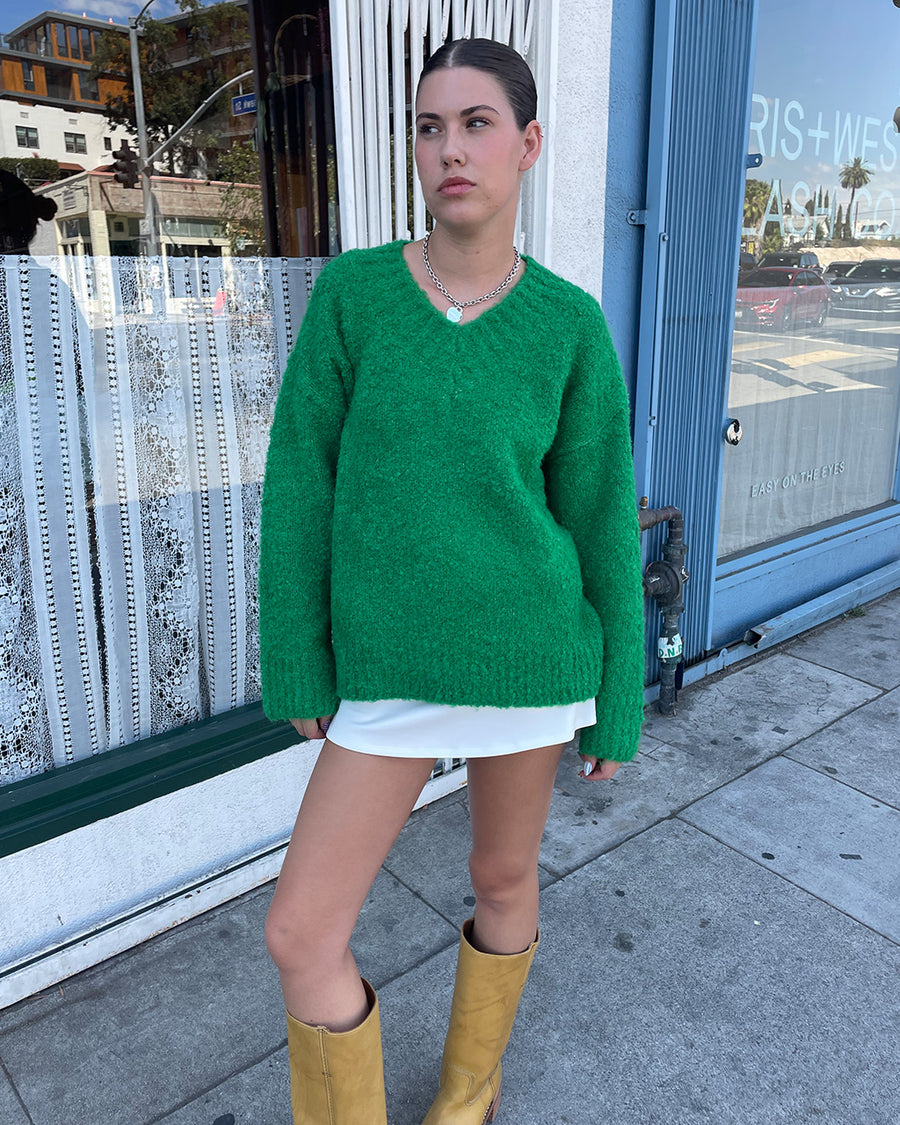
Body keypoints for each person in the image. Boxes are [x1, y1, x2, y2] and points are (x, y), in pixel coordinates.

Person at [258, 36, 645, 1125]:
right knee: (301, 931)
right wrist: (298, 654)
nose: (450, 149)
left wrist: (620, 692)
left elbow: (600, 516)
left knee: (502, 879)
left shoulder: (569, 324)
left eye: (477, 124)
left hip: (527, 654)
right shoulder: (355, 297)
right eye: (430, 127)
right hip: (387, 667)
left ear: (526, 145)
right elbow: (300, 487)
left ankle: (468, 1099)